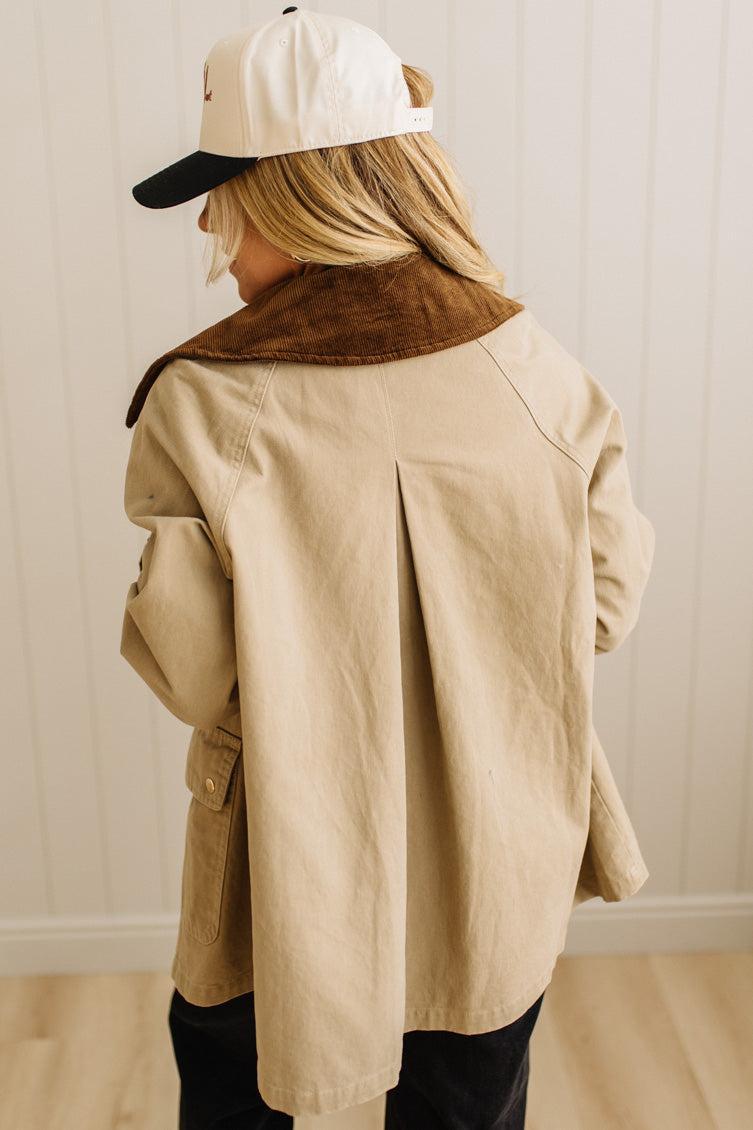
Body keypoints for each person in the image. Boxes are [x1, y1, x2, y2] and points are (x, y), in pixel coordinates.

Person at [121, 8, 656, 1129]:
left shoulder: (205, 402)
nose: (210, 224)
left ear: (298, 195)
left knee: (233, 1090)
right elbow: (601, 608)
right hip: (493, 842)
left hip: (286, 856)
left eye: (224, 191)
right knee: (468, 1100)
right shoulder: (537, 370)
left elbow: (196, 677)